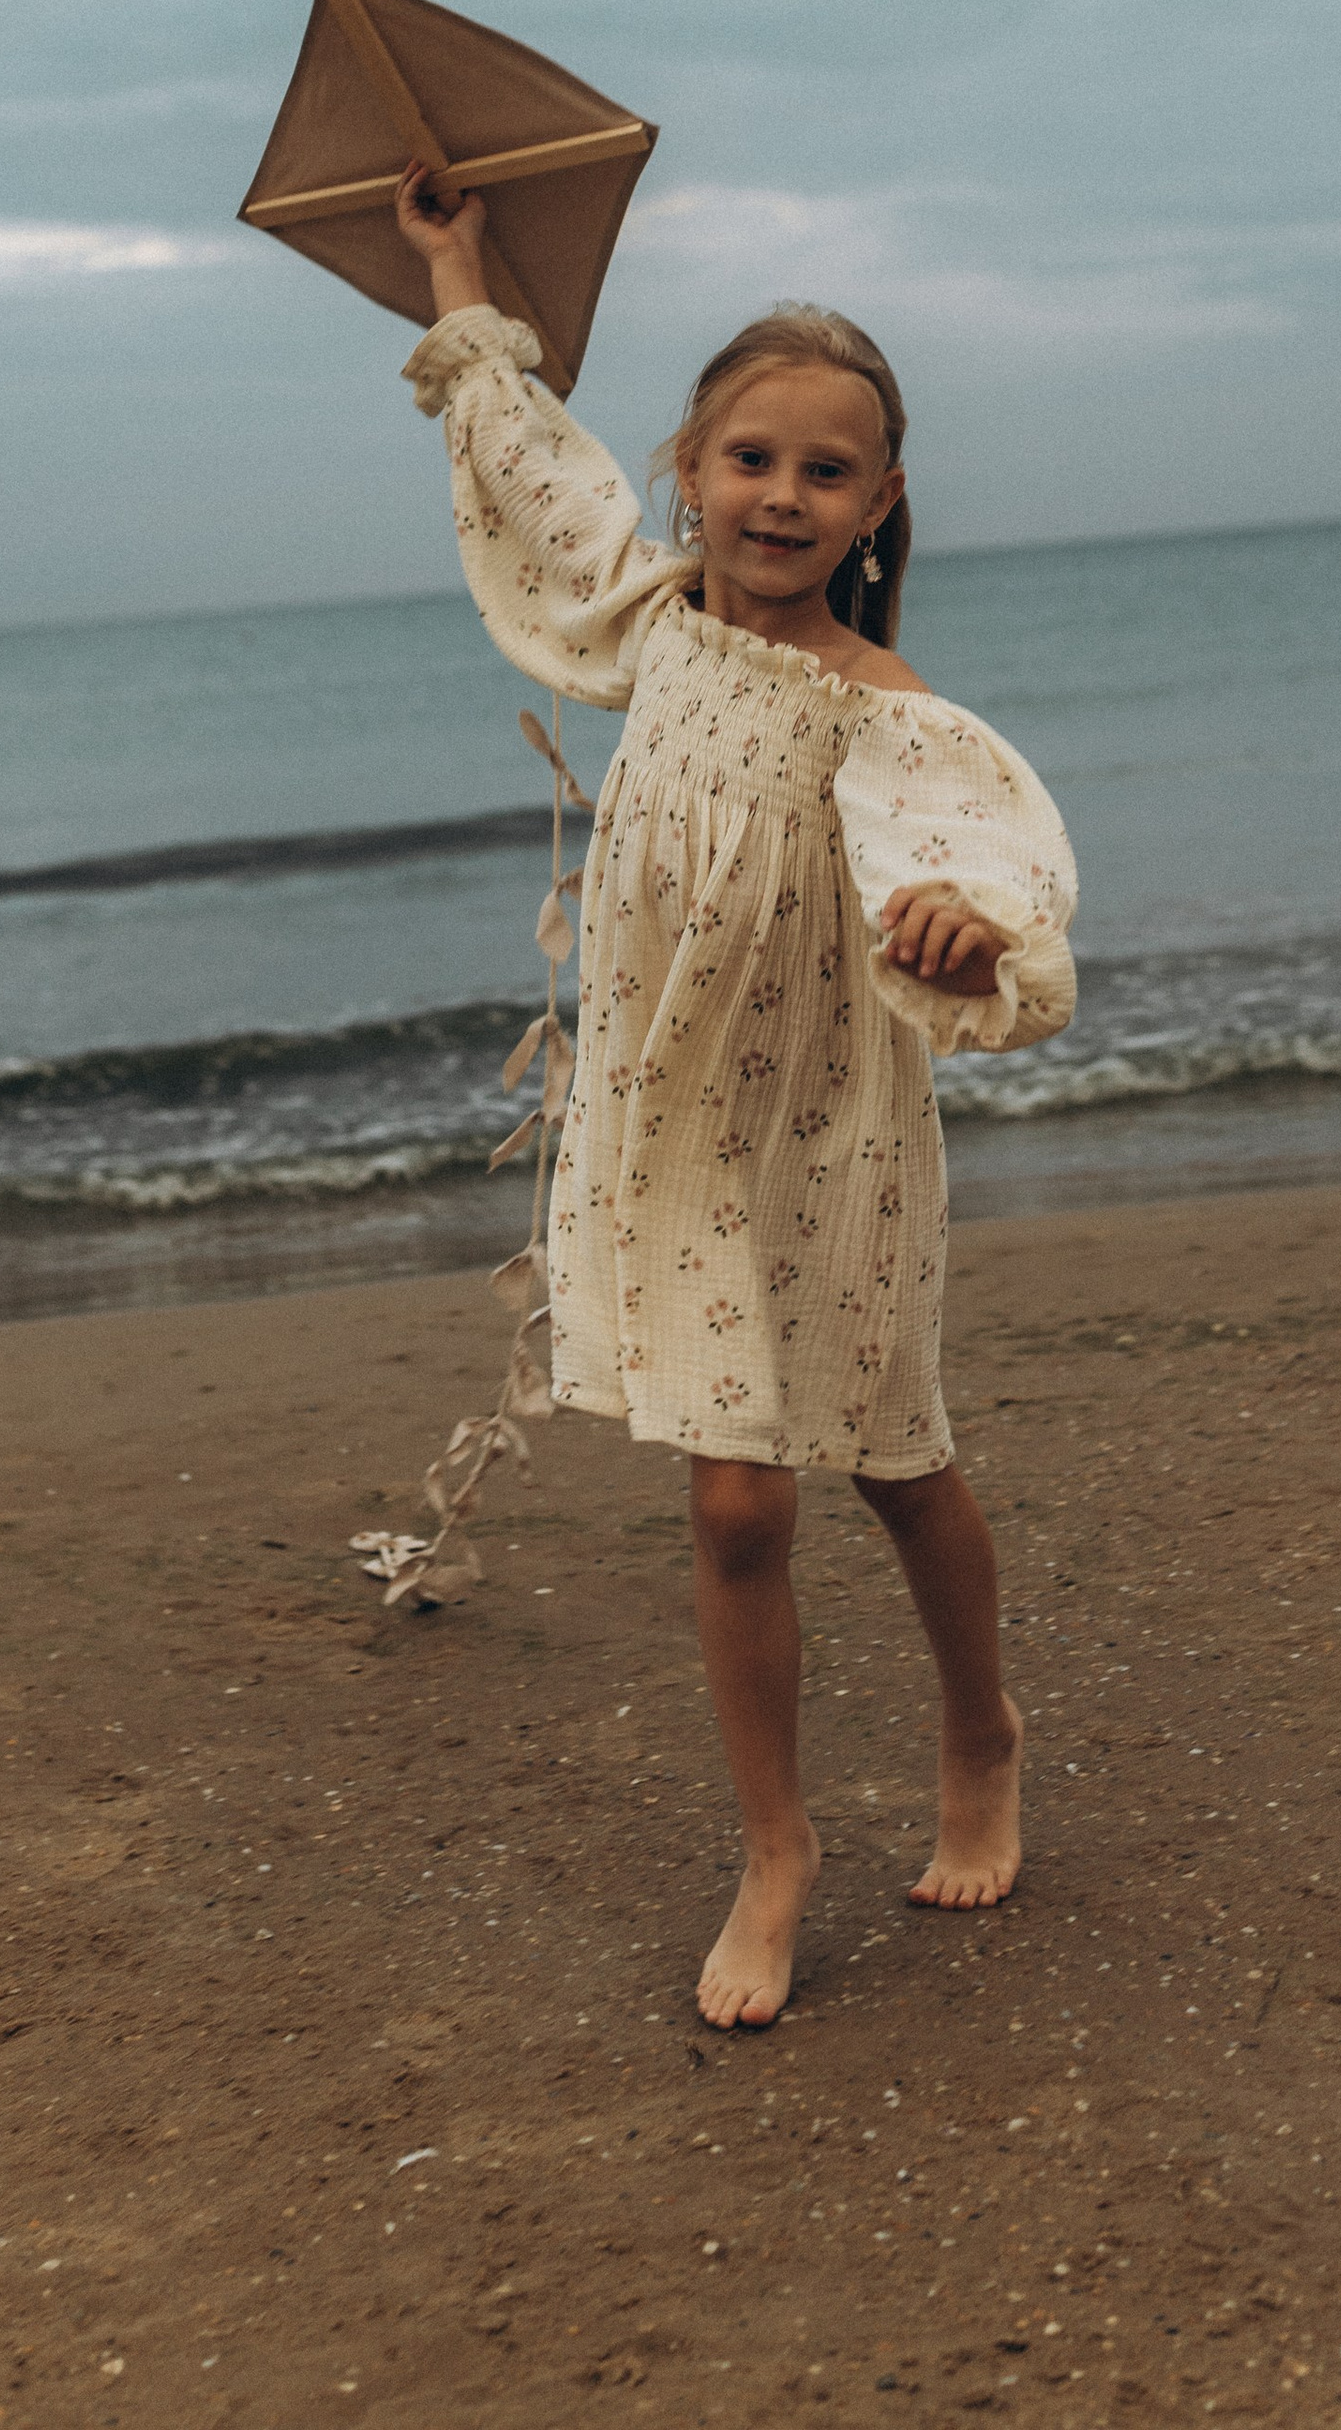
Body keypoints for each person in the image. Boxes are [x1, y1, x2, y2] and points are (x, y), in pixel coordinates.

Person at [393, 168, 1078, 2029]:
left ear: (881, 503)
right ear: (690, 466)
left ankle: (980, 1726)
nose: (782, 496)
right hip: (675, 1123)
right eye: (750, 457)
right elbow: (527, 465)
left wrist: (960, 935)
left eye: (826, 471)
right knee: (731, 1506)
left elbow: (982, 870)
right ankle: (777, 1849)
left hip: (833, 1139)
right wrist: (459, 270)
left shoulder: (885, 710)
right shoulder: (648, 632)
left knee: (894, 1458)